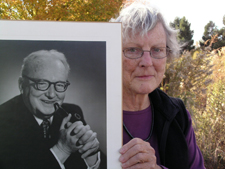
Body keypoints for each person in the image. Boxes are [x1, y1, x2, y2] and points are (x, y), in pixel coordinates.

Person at [111, 2, 206, 169]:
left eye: (157, 50)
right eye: (133, 50)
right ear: (112, 53)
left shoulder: (177, 114)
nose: (147, 62)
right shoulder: (91, 116)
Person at [0, 50, 103, 169]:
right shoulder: (3, 120)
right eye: (42, 83)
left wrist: (91, 155)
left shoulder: (72, 112)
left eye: (59, 85)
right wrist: (62, 149)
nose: (52, 94)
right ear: (22, 85)